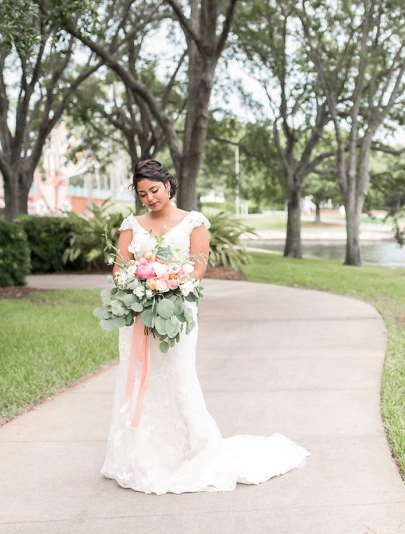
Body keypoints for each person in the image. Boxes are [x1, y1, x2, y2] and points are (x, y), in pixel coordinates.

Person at [101, 159, 309, 495]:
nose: (150, 198)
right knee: (140, 379)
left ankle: (192, 450)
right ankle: (138, 454)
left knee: (180, 377)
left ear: (168, 185)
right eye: (143, 194)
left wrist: (166, 282)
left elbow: (198, 269)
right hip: (140, 316)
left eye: (154, 190)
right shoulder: (132, 225)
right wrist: (141, 285)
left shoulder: (193, 223)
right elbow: (119, 269)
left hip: (179, 312)